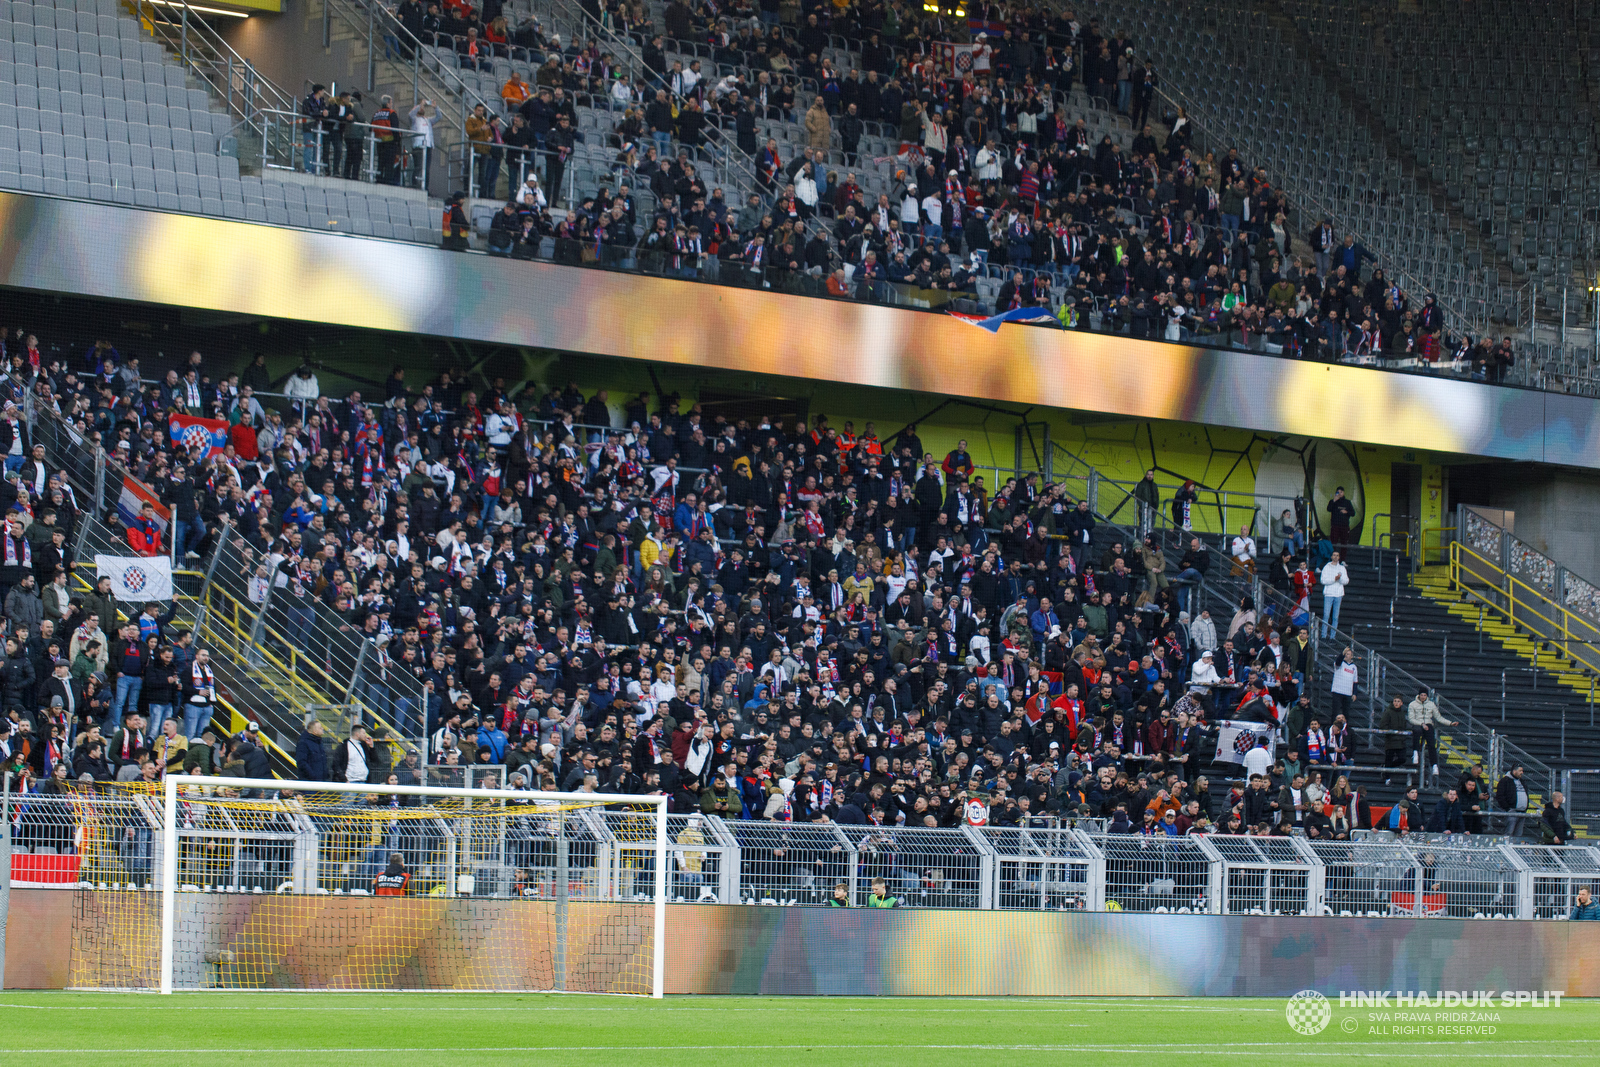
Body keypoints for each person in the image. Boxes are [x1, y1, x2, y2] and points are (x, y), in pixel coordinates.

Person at [1406, 688, 1456, 780]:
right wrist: (1421, 724)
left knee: (1431, 743)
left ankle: (1434, 765)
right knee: (1416, 731)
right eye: (1421, 695)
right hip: (1418, 723)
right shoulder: (1412, 704)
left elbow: (1438, 717)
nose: (1423, 697)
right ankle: (1415, 752)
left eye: (1425, 695)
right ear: (1419, 695)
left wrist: (1450, 723)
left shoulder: (1431, 704)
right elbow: (1411, 719)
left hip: (1428, 725)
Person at [1495, 763, 1530, 838]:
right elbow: (1500, 796)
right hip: (1512, 811)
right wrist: (1507, 808)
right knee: (1509, 833)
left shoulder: (1522, 781)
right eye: (1520, 771)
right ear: (1514, 771)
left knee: (1518, 834)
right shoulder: (1505, 781)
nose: (1522, 772)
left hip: (1522, 812)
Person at [1318, 549, 1348, 639]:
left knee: (1335, 617)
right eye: (1334, 555)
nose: (1335, 557)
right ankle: (1323, 635)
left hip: (1338, 594)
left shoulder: (1342, 568)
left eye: (1337, 555)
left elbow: (1346, 580)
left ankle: (1332, 637)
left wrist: (1339, 579)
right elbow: (1323, 580)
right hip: (1329, 594)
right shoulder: (1327, 567)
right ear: (1331, 557)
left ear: (1339, 557)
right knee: (1326, 615)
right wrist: (1334, 579)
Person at [1329, 647, 1358, 720]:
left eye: (1348, 654)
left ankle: (1345, 729)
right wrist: (1342, 654)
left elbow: (1355, 681)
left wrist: (1354, 693)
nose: (1346, 655)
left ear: (1351, 656)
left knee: (1346, 714)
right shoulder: (1340, 663)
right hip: (1337, 691)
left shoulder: (1354, 667)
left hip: (1347, 693)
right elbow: (1338, 662)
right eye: (1345, 653)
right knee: (1335, 712)